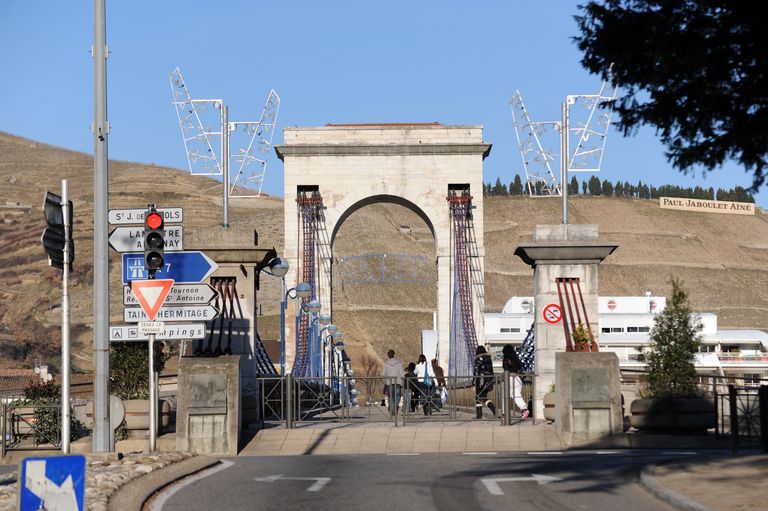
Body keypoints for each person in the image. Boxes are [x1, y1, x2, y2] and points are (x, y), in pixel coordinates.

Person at [502, 344, 530, 419]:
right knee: (516, 395)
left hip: (509, 379)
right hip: (517, 379)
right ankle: (524, 409)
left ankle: (504, 414)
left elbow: (506, 369)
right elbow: (520, 369)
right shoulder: (516, 358)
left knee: (504, 395)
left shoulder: (506, 358)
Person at [474, 346, 496, 419]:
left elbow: (476, 372)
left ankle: (479, 415)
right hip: (489, 380)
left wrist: (473, 383)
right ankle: (492, 407)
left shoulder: (478, 359)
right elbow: (491, 371)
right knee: (484, 397)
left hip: (480, 380)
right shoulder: (489, 359)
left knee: (478, 397)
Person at [381, 349, 404, 417]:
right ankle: (395, 407)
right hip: (397, 382)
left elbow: (383, 374)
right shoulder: (399, 363)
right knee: (397, 396)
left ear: (388, 355)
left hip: (389, 382)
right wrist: (403, 382)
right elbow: (402, 374)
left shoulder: (386, 363)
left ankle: (392, 409)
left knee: (390, 397)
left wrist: (385, 381)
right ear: (394, 354)